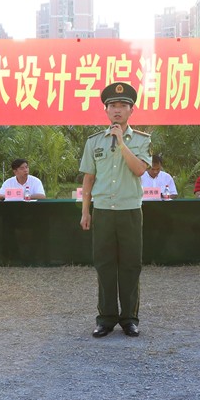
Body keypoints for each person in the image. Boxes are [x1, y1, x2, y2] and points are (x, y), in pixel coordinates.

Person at [79, 82, 151, 338]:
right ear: (106, 110)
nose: (117, 110)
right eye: (112, 106)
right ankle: (106, 319)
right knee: (104, 265)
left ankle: (129, 318)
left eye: (123, 105)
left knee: (130, 265)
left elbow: (139, 169)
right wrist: (85, 211)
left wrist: (121, 142)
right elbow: (89, 178)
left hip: (129, 210)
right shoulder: (94, 142)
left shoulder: (141, 140)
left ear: (131, 110)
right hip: (103, 212)